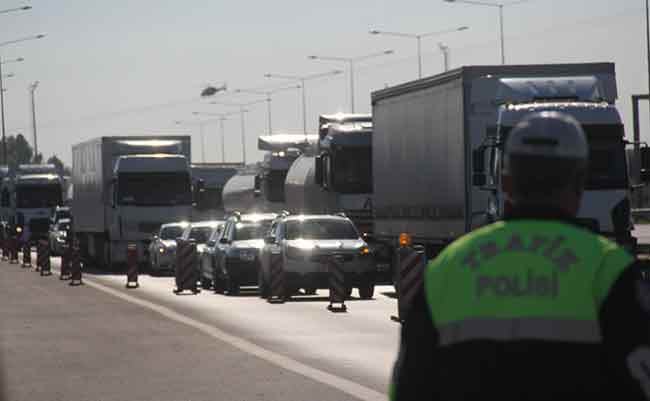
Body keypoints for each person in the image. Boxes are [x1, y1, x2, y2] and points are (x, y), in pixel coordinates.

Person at [390, 111, 650, 400]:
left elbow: (408, 387)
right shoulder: (608, 270)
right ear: (579, 183)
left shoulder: (447, 270)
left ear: (506, 183)